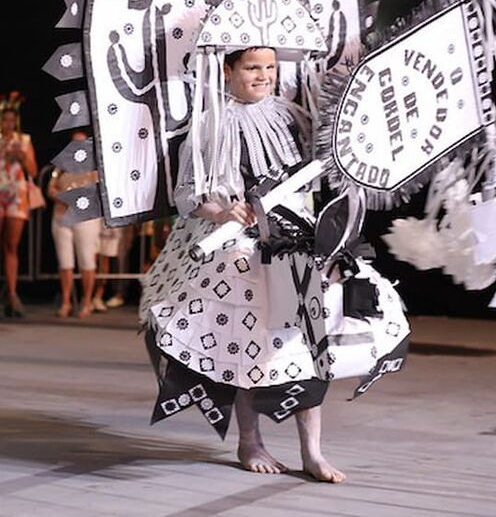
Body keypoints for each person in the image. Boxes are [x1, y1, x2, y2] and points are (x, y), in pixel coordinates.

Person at [141, 42, 408, 483]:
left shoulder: (292, 116)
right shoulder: (211, 123)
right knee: (255, 347)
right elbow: (186, 195)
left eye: (269, 66)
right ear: (229, 70)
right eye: (252, 67)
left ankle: (312, 451)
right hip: (240, 248)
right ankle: (251, 441)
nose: (263, 75)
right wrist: (222, 211)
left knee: (309, 343)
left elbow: (327, 166)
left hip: (300, 240)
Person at [0, 95, 42, 318]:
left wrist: (22, 157)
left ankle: (12, 294)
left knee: (12, 245)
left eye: (12, 120)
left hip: (16, 195)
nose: (9, 125)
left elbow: (33, 170)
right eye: (5, 120)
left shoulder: (24, 140)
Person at [47, 137, 101, 318]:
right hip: (62, 216)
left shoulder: (95, 166)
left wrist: (77, 199)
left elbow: (98, 190)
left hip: (85, 218)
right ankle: (66, 301)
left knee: (86, 259)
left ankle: (86, 301)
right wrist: (63, 197)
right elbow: (51, 188)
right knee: (65, 261)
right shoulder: (62, 166)